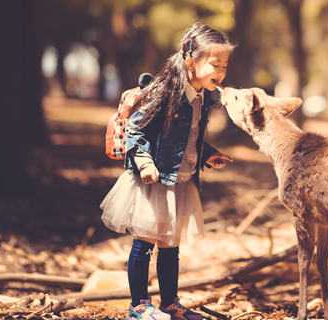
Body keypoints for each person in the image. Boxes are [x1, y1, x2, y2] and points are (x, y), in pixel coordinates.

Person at [100, 22, 234, 320]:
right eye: (215, 64)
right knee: (145, 241)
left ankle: (170, 302)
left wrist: (208, 155)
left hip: (181, 179)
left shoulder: (203, 96)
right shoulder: (166, 91)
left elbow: (189, 136)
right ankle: (138, 305)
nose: (221, 72)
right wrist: (144, 162)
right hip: (154, 178)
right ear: (190, 59)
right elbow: (137, 130)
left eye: (225, 65)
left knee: (170, 244)